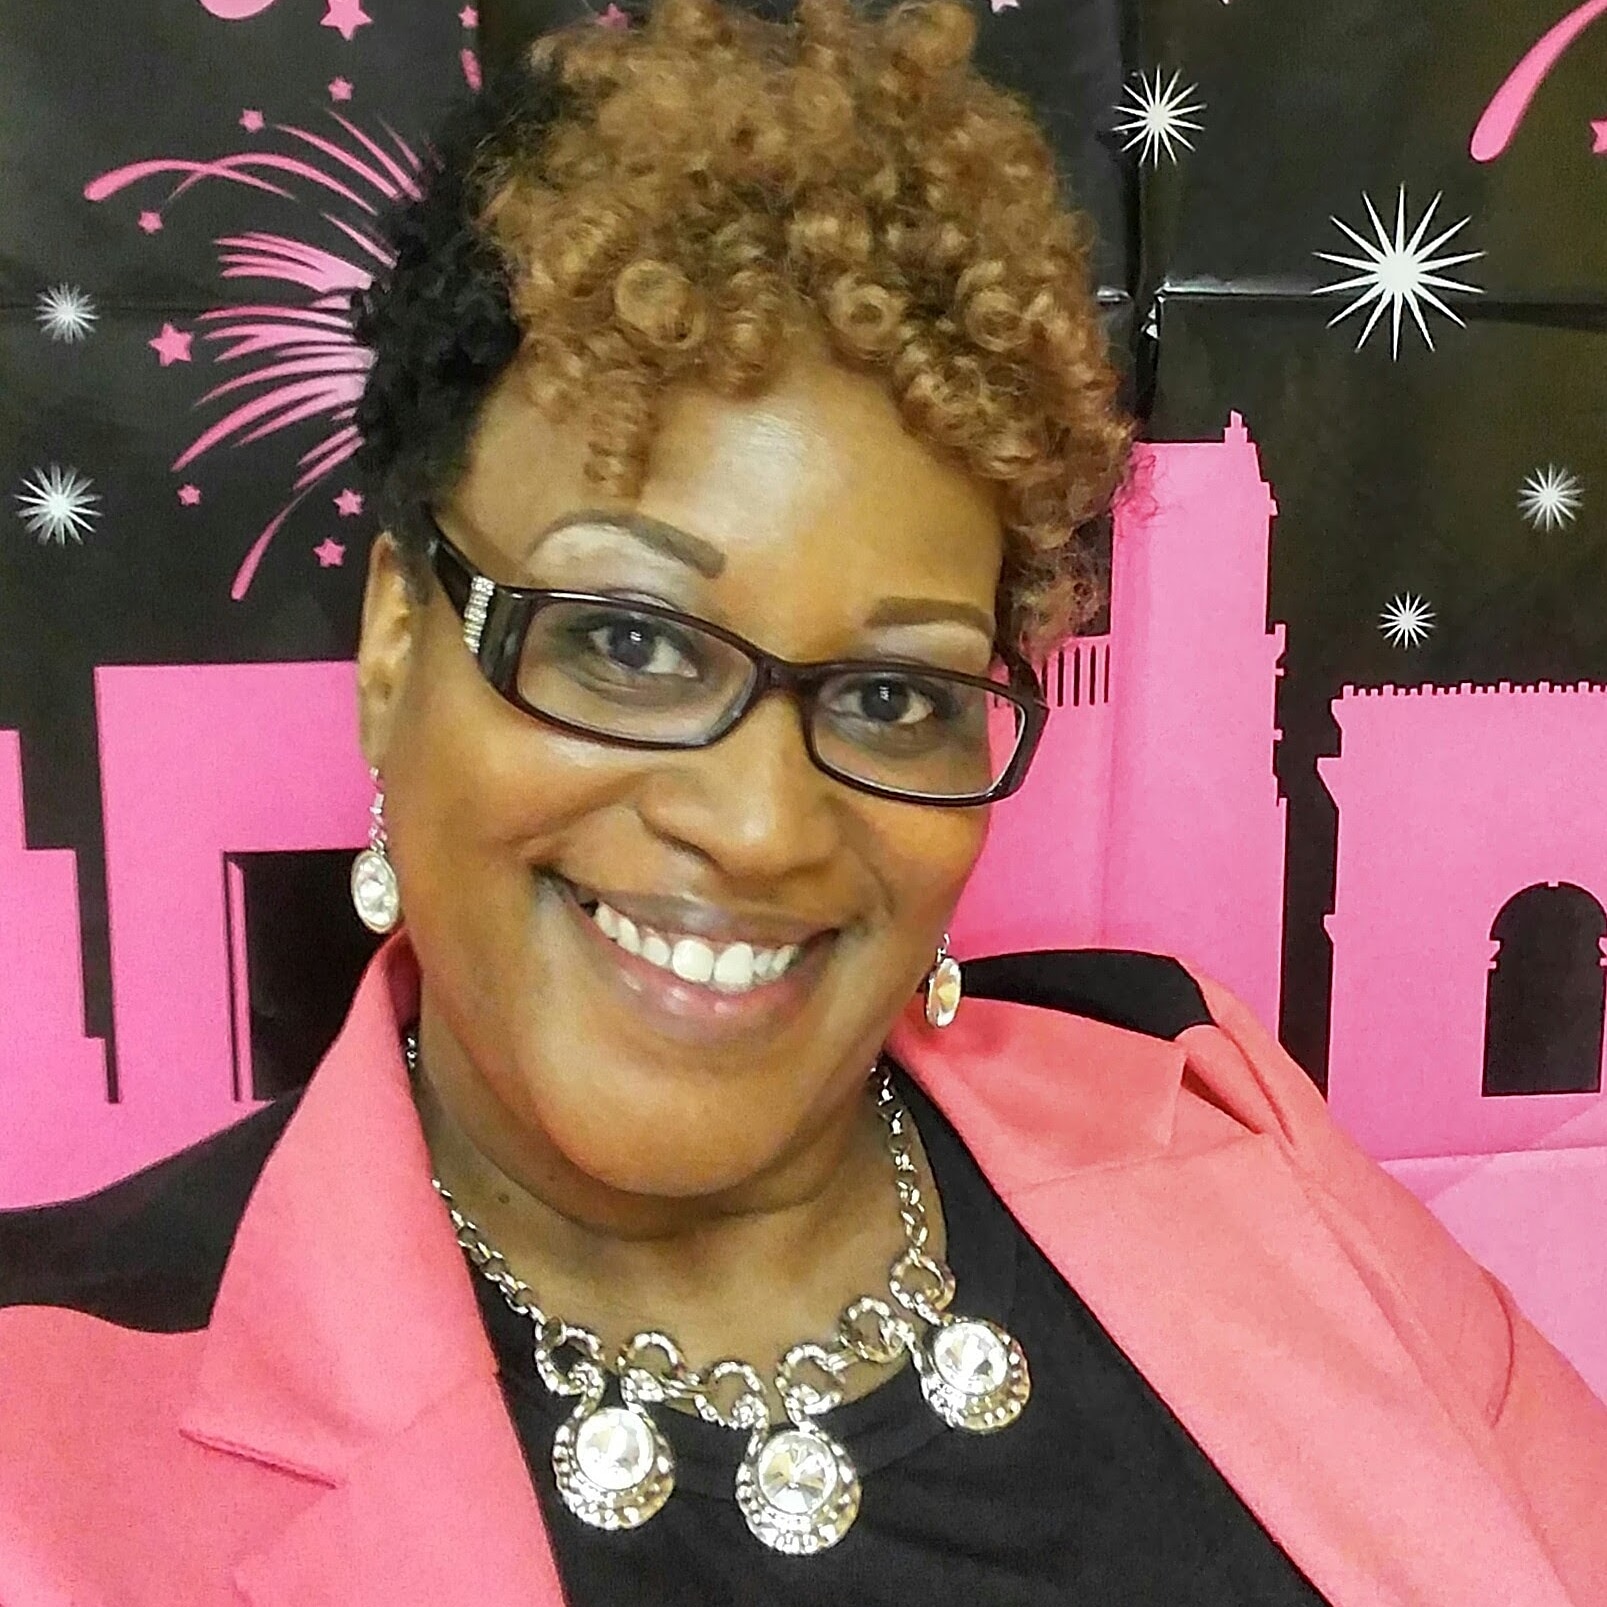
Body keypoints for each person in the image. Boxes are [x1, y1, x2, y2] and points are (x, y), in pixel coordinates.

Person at [3, 2, 1605, 1602]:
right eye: (628, 641)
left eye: (894, 696)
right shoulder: (47, 1441)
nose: (761, 826)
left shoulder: (1222, 1126)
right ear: (398, 644)